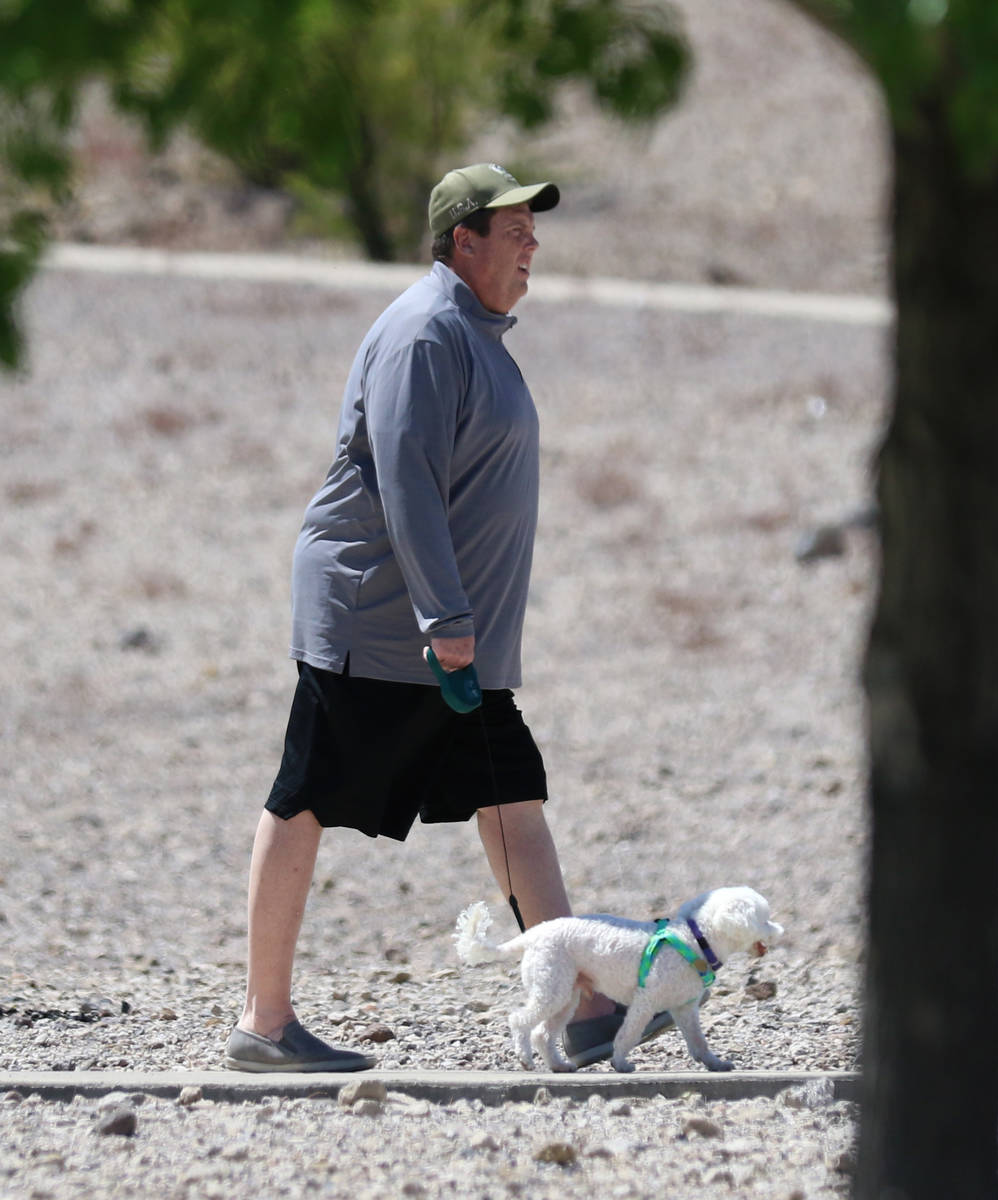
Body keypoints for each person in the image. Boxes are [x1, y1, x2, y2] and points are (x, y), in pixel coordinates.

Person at [224, 163, 665, 1073]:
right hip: (383, 626)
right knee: (305, 795)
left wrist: (462, 627)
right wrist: (446, 615)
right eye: (515, 230)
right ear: (464, 241)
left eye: (533, 230)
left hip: (452, 639)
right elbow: (407, 482)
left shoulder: (475, 334)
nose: (532, 244)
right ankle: (264, 1024)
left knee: (512, 795)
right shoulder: (427, 332)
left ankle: (586, 1005)